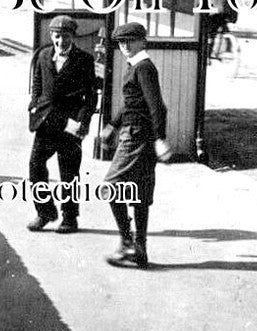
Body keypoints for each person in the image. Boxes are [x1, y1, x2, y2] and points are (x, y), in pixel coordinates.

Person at [101, 22, 168, 268]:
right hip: (137, 134)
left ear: (143, 41)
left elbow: (157, 106)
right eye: (121, 42)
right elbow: (132, 103)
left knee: (110, 186)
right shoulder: (137, 66)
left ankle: (128, 243)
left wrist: (160, 138)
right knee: (139, 194)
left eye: (130, 40)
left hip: (137, 137)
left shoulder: (144, 68)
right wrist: (113, 125)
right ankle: (140, 249)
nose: (125, 45)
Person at [26, 15, 98, 234]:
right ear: (51, 35)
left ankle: (70, 218)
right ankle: (45, 212)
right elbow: (37, 84)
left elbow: (91, 95)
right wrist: (35, 104)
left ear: (72, 36)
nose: (61, 41)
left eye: (65, 36)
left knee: (69, 172)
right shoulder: (43, 55)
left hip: (70, 124)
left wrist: (83, 121)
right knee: (35, 165)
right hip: (46, 122)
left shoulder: (84, 59)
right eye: (57, 36)